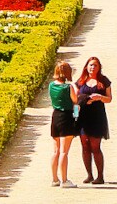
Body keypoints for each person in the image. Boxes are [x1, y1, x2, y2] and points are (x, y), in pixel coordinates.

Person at [75, 56, 113, 184]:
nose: (92, 67)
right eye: (90, 65)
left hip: (97, 117)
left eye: (95, 65)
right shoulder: (80, 81)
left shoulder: (104, 81)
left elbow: (109, 99)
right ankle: (89, 174)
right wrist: (75, 117)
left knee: (95, 147)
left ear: (99, 67)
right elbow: (75, 100)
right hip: (83, 117)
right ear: (86, 66)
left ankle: (100, 176)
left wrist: (100, 97)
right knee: (85, 146)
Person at [48, 60, 80, 188]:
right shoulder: (68, 87)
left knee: (55, 151)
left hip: (55, 116)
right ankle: (65, 180)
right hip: (66, 117)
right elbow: (75, 102)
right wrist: (76, 116)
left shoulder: (51, 85)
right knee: (64, 152)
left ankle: (55, 179)